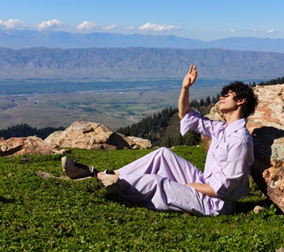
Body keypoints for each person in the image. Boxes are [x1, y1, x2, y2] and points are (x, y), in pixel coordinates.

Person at [62, 65, 257, 216]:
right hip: (204, 183)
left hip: (215, 202)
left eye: (227, 95)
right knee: (163, 154)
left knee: (157, 182)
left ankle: (104, 180)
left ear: (241, 101)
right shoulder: (222, 129)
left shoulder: (239, 140)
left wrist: (189, 187)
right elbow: (186, 115)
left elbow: (223, 189)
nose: (222, 97)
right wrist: (185, 88)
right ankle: (110, 174)